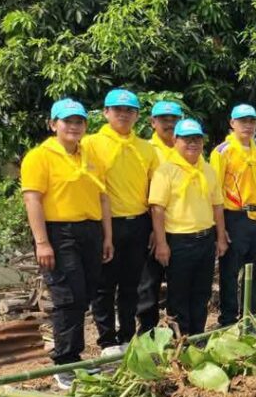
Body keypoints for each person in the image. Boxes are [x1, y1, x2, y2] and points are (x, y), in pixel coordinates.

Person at [22, 99, 113, 389]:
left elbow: (103, 199)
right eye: (67, 121)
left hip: (90, 230)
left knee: (84, 295)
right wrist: (42, 242)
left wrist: (107, 236)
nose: (74, 126)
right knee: (67, 297)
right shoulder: (40, 157)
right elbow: (32, 199)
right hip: (59, 233)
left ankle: (76, 357)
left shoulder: (90, 156)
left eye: (79, 121)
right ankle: (65, 361)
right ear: (53, 124)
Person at [82, 88, 159, 356]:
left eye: (129, 110)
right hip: (107, 224)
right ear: (106, 112)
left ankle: (126, 336)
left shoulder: (146, 148)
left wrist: (154, 228)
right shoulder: (90, 144)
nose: (123, 115)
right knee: (104, 285)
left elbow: (153, 189)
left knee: (131, 284)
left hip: (138, 223)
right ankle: (106, 340)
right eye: (118, 110)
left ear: (137, 115)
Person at [149, 119, 228, 337]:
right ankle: (180, 340)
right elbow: (157, 209)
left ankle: (197, 337)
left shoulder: (208, 170)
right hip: (179, 241)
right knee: (179, 295)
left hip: (205, 239)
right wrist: (162, 243)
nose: (192, 143)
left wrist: (221, 238)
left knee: (201, 293)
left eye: (197, 139)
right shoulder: (166, 171)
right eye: (187, 139)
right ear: (176, 140)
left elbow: (217, 206)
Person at [210, 104, 256, 326]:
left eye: (252, 121)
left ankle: (249, 317)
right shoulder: (222, 151)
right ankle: (228, 320)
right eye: (243, 121)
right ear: (232, 123)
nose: (248, 125)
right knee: (230, 272)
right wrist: (219, 229)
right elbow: (215, 191)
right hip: (233, 218)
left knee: (255, 273)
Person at [136, 100, 184, 333]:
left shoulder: (186, 148)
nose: (170, 124)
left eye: (174, 119)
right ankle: (148, 332)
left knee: (179, 281)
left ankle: (178, 332)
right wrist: (157, 230)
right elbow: (142, 190)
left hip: (181, 226)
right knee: (149, 281)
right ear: (152, 122)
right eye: (164, 119)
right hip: (153, 225)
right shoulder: (146, 150)